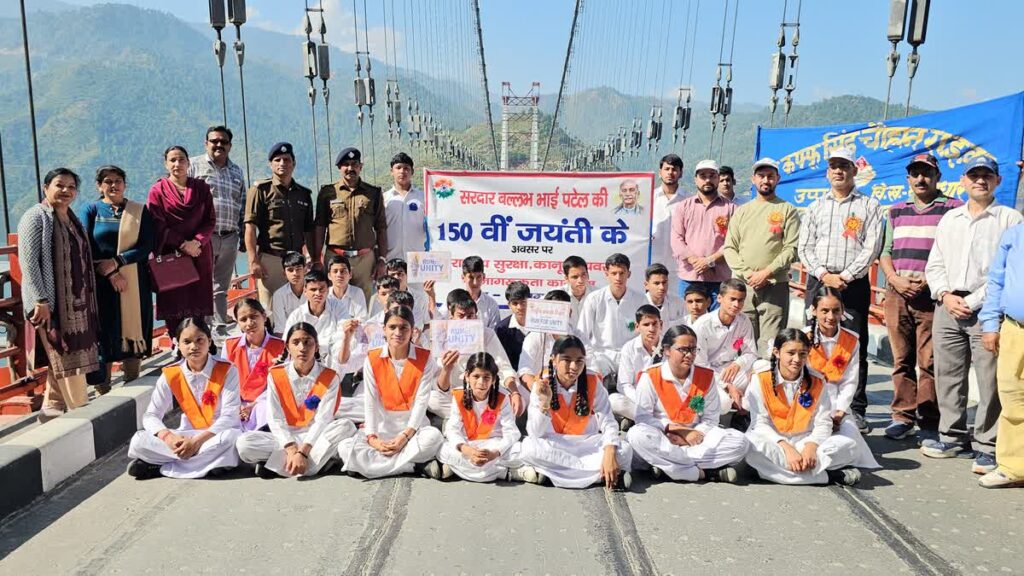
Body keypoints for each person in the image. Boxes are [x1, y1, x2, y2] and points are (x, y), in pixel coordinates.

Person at [924, 157, 1022, 474]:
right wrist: (945, 295)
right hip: (947, 305)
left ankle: (987, 445)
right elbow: (935, 263)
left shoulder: (1010, 219)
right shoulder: (950, 218)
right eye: (974, 175)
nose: (980, 180)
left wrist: (973, 300)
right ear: (963, 181)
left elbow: (1006, 271)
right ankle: (952, 436)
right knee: (948, 375)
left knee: (989, 379)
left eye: (987, 176)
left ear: (997, 181)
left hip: (986, 309)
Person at [797, 147, 884, 432]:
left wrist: (844, 276)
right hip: (819, 281)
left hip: (852, 284)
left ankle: (854, 408)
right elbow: (804, 247)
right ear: (827, 171)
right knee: (813, 340)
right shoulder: (815, 207)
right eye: (833, 166)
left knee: (853, 344)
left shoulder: (869, 206)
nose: (838, 171)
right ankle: (809, 399)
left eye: (844, 166)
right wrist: (824, 275)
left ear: (854, 170)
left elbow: (872, 247)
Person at [879, 154, 962, 441]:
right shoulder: (896, 211)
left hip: (931, 295)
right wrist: (894, 279)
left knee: (929, 361)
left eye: (927, 173)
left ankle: (929, 420)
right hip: (898, 293)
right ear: (908, 179)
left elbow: (954, 251)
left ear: (938, 177)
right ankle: (902, 416)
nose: (921, 179)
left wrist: (930, 280)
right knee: (901, 359)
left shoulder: (953, 209)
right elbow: (885, 251)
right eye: (915, 173)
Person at [18, 168, 101, 421]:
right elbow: (28, 263)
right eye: (59, 185)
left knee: (64, 358)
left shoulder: (71, 218)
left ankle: (51, 409)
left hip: (77, 304)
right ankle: (81, 413)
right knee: (64, 352)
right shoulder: (36, 217)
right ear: (46, 188)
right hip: (50, 305)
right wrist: (39, 300)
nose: (66, 191)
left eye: (71, 187)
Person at [627, 325, 750, 482]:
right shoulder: (651, 376)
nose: (689, 355)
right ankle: (704, 473)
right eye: (683, 349)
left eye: (693, 350)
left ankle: (669, 467)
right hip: (664, 437)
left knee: (741, 442)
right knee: (636, 435)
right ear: (667, 350)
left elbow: (710, 419)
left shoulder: (706, 376)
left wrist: (690, 437)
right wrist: (678, 431)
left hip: (697, 439)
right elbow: (643, 418)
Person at [235, 323, 357, 478]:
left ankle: (282, 466)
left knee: (346, 426)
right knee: (244, 444)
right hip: (285, 439)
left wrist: (303, 451)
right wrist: (292, 449)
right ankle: (316, 465)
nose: (302, 348)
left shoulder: (330, 377)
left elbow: (323, 420)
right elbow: (275, 419)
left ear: (317, 347)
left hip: (317, 437)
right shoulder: (276, 375)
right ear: (287, 347)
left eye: (307, 342)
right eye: (296, 342)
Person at [338, 306, 447, 479]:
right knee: (344, 448)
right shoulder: (372, 358)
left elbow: (421, 402)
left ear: (412, 330)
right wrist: (373, 438)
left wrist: (405, 437)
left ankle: (369, 466)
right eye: (392, 327)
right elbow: (370, 402)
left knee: (433, 438)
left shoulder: (425, 358)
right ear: (384, 329)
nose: (398, 333)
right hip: (382, 429)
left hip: (413, 431)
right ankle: (412, 466)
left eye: (404, 327)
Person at [126, 318, 240, 479]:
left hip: (215, 435)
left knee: (232, 439)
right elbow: (151, 415)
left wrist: (197, 442)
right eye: (187, 342)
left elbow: (230, 416)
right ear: (177, 344)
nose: (194, 346)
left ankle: (161, 466)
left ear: (209, 341)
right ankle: (210, 464)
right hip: (184, 437)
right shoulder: (171, 373)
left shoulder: (227, 369)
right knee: (139, 440)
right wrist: (169, 438)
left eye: (199, 340)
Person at [744, 329, 861, 486]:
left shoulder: (817, 380)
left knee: (850, 446)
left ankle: (768, 472)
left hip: (805, 441)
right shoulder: (760, 378)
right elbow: (759, 423)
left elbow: (823, 423)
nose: (797, 359)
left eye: (803, 354)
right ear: (777, 352)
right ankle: (829, 476)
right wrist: (787, 449)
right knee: (749, 445)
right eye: (791, 353)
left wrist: (811, 446)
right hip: (775, 441)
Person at [521, 336, 633, 489]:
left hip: (588, 444)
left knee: (624, 450)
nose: (574, 367)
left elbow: (608, 420)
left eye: (579, 361)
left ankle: (551, 474)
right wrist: (545, 403)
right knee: (529, 448)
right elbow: (535, 433)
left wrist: (609, 452)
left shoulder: (593, 380)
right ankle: (602, 476)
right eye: (567, 360)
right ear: (554, 360)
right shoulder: (542, 384)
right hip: (556, 444)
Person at [81, 165, 153, 393]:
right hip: (101, 283)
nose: (113, 185)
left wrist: (118, 262)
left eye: (118, 181)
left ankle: (132, 381)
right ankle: (102, 386)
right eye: (108, 181)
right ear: (99, 186)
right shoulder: (91, 210)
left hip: (134, 281)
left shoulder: (139, 211)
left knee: (133, 328)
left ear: (124, 184)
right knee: (105, 331)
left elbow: (147, 245)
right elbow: (85, 244)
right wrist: (111, 272)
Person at [723, 158, 800, 354]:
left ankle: (767, 374)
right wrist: (749, 274)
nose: (766, 180)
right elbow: (729, 248)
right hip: (744, 286)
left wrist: (766, 272)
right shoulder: (742, 212)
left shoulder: (787, 210)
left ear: (777, 179)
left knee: (771, 344)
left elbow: (791, 248)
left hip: (774, 285)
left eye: (770, 176)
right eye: (761, 176)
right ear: (753, 179)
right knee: (743, 342)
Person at [805, 287, 880, 470]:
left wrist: (839, 412)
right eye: (824, 311)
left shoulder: (851, 340)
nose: (830, 316)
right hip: (807, 403)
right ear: (814, 310)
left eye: (835, 310)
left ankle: (822, 463)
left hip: (836, 404)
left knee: (851, 443)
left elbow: (849, 381)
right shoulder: (803, 337)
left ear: (842, 311)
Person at [148, 146, 216, 338]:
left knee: (198, 307)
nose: (177, 164)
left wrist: (197, 242)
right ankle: (177, 345)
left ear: (188, 162)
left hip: (199, 253)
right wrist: (183, 244)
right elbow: (157, 224)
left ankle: (200, 344)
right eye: (172, 160)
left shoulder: (201, 188)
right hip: (171, 256)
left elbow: (210, 220)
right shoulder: (157, 191)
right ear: (166, 164)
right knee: (175, 305)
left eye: (181, 159)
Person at [188, 126, 246, 339]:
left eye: (224, 141)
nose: (219, 145)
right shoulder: (193, 166)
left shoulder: (237, 171)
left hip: (230, 236)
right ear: (206, 143)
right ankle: (198, 330)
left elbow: (242, 203)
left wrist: (242, 236)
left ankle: (220, 330)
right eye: (214, 141)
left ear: (230, 145)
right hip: (203, 237)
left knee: (221, 286)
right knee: (200, 285)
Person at [244, 142, 316, 314]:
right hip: (271, 260)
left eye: (286, 159)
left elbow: (309, 231)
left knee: (299, 310)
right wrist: (253, 260)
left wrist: (314, 259)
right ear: (270, 164)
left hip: (296, 261)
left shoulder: (304, 194)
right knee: (269, 311)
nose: (282, 163)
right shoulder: (260, 191)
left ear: (294, 163)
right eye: (277, 160)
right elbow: (250, 227)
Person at [979, 219, 1024, 488]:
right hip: (1014, 328)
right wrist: (989, 324)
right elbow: (996, 281)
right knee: (1012, 396)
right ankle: (1013, 467)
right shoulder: (1015, 234)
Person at [429, 290, 520, 418]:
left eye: (470, 316)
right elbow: (442, 388)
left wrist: (515, 392)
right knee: (433, 400)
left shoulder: (487, 334)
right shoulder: (442, 337)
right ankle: (469, 417)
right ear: (451, 317)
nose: (466, 320)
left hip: (484, 393)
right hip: (454, 396)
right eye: (461, 316)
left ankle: (467, 417)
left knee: (511, 396)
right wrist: (447, 369)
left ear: (476, 317)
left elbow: (504, 368)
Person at [436, 352, 525, 483]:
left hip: (493, 445)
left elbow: (512, 433)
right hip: (468, 445)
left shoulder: (503, 397)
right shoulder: (459, 395)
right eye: (476, 376)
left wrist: (494, 453)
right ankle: (503, 473)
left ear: (494, 379)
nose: (481, 382)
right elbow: (452, 429)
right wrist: (467, 450)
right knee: (442, 449)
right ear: (467, 376)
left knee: (520, 449)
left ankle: (459, 469)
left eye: (486, 377)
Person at [314, 147, 388, 301]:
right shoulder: (327, 193)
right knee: (333, 302)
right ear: (339, 167)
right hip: (335, 257)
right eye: (346, 164)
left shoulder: (373, 193)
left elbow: (381, 228)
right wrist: (316, 258)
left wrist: (382, 259)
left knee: (363, 303)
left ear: (361, 167)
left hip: (364, 260)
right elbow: (320, 227)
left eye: (354, 164)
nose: (350, 168)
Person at [692, 279, 758, 421]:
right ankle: (705, 418)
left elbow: (751, 353)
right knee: (724, 404)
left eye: (740, 300)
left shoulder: (744, 321)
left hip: (730, 370)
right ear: (720, 298)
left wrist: (738, 363)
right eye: (732, 299)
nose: (736, 305)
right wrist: (727, 386)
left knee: (761, 367)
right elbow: (700, 365)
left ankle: (744, 415)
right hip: (707, 375)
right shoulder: (702, 325)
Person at [670, 159, 735, 302]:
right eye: (703, 176)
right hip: (689, 277)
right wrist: (694, 260)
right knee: (687, 316)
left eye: (712, 176)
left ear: (718, 178)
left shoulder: (731, 209)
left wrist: (710, 261)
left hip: (719, 280)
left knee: (719, 316)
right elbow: (676, 239)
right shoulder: (683, 207)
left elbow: (733, 242)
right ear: (695, 179)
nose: (707, 180)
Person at [576, 253, 648, 380]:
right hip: (602, 354)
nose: (618, 278)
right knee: (591, 376)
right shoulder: (594, 299)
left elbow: (646, 331)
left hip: (631, 354)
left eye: (622, 273)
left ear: (629, 274)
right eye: (614, 273)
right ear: (606, 274)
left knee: (644, 378)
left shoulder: (640, 299)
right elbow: (582, 334)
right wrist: (590, 357)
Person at [223, 298, 285, 432]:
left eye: (254, 316)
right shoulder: (229, 344)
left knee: (267, 411)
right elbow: (225, 381)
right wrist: (238, 404)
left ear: (264, 316)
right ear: (238, 323)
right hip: (236, 402)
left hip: (265, 401)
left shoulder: (280, 346)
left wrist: (253, 404)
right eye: (243, 319)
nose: (249, 323)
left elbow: (280, 385)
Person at [518, 290, 579, 404]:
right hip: (539, 389)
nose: (555, 316)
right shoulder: (534, 336)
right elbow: (524, 370)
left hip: (571, 389)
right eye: (552, 311)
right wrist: (538, 390)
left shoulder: (578, 336)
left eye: (559, 312)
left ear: (569, 312)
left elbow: (590, 365)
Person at [283, 269, 351, 370]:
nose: (318, 293)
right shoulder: (296, 316)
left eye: (321, 289)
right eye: (313, 290)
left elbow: (342, 337)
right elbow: (289, 344)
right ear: (305, 291)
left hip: (336, 367)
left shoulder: (339, 307)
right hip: (306, 367)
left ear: (328, 290)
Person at [610, 305, 663, 422]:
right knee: (614, 400)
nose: (651, 329)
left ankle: (641, 419)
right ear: (637, 327)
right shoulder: (629, 348)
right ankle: (653, 420)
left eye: (655, 324)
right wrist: (642, 401)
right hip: (638, 401)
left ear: (661, 324)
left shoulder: (669, 347)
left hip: (663, 399)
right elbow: (624, 385)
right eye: (646, 324)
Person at [650, 154, 687, 294]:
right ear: (660, 172)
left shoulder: (688, 200)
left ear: (681, 173)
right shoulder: (649, 197)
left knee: (677, 302)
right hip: (651, 261)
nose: (670, 173)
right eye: (666, 169)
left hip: (678, 265)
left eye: (674, 169)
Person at [383, 152, 427, 260]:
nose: (402, 171)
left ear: (412, 172)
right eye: (398, 168)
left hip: (417, 258)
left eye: (406, 168)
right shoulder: (384, 198)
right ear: (391, 171)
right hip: (391, 259)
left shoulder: (423, 197)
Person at [369, 257, 431, 327]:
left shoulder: (420, 297)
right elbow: (374, 322)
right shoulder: (380, 297)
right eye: (392, 275)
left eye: (400, 274)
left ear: (407, 275)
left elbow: (427, 323)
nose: (396, 277)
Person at [496, 281, 531, 370]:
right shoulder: (502, 329)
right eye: (515, 303)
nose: (519, 307)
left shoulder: (539, 325)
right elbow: (501, 360)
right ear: (509, 305)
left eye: (523, 302)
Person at [270, 251, 307, 332]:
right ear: (284, 273)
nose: (295, 273)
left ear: (305, 270)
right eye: (290, 270)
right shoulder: (279, 295)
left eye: (298, 269)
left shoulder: (314, 290)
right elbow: (280, 327)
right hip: (289, 335)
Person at [326, 253, 369, 320]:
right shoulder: (325, 294)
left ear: (350, 274)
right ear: (329, 276)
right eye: (335, 271)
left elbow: (362, 319)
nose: (339, 275)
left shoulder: (357, 293)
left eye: (343, 271)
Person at [561, 255, 592, 327]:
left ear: (588, 275)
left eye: (583, 275)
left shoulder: (598, 295)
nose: (580, 280)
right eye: (575, 277)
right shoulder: (557, 295)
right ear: (566, 279)